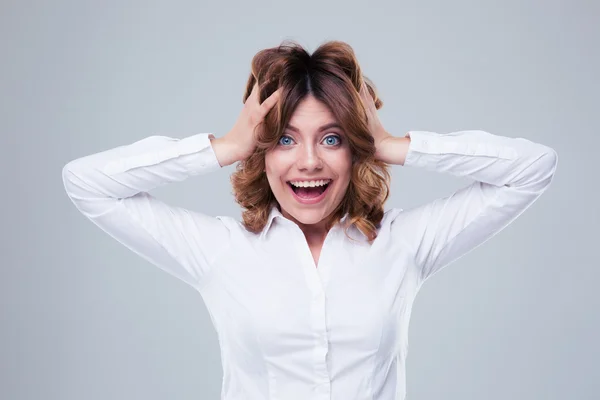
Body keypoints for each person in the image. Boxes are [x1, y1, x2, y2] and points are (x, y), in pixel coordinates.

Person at [61, 40, 558, 400]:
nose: (309, 162)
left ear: (352, 150)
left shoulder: (403, 243)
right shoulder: (220, 251)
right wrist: (226, 146)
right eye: (284, 139)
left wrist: (390, 145)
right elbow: (86, 183)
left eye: (332, 138)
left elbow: (531, 170)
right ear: (262, 151)